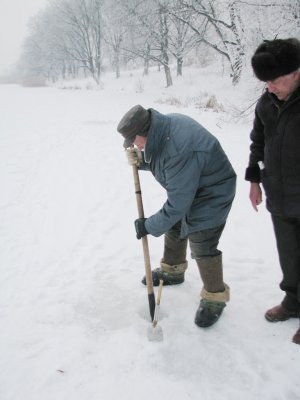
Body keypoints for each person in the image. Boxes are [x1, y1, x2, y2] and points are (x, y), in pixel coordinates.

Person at [117, 105, 236, 328]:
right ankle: (173, 270)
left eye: (135, 142)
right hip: (193, 184)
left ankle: (214, 297)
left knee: (202, 240)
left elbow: (177, 203)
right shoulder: (163, 130)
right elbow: (165, 161)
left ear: (144, 133)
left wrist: (148, 226)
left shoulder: (179, 145)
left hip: (213, 191)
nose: (135, 146)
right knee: (174, 224)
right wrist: (142, 161)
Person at [245, 38, 300, 345]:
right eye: (266, 82)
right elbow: (258, 141)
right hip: (279, 196)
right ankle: (293, 302)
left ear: (296, 73)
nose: (270, 87)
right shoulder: (266, 102)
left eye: (276, 81)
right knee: (289, 257)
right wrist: (255, 180)